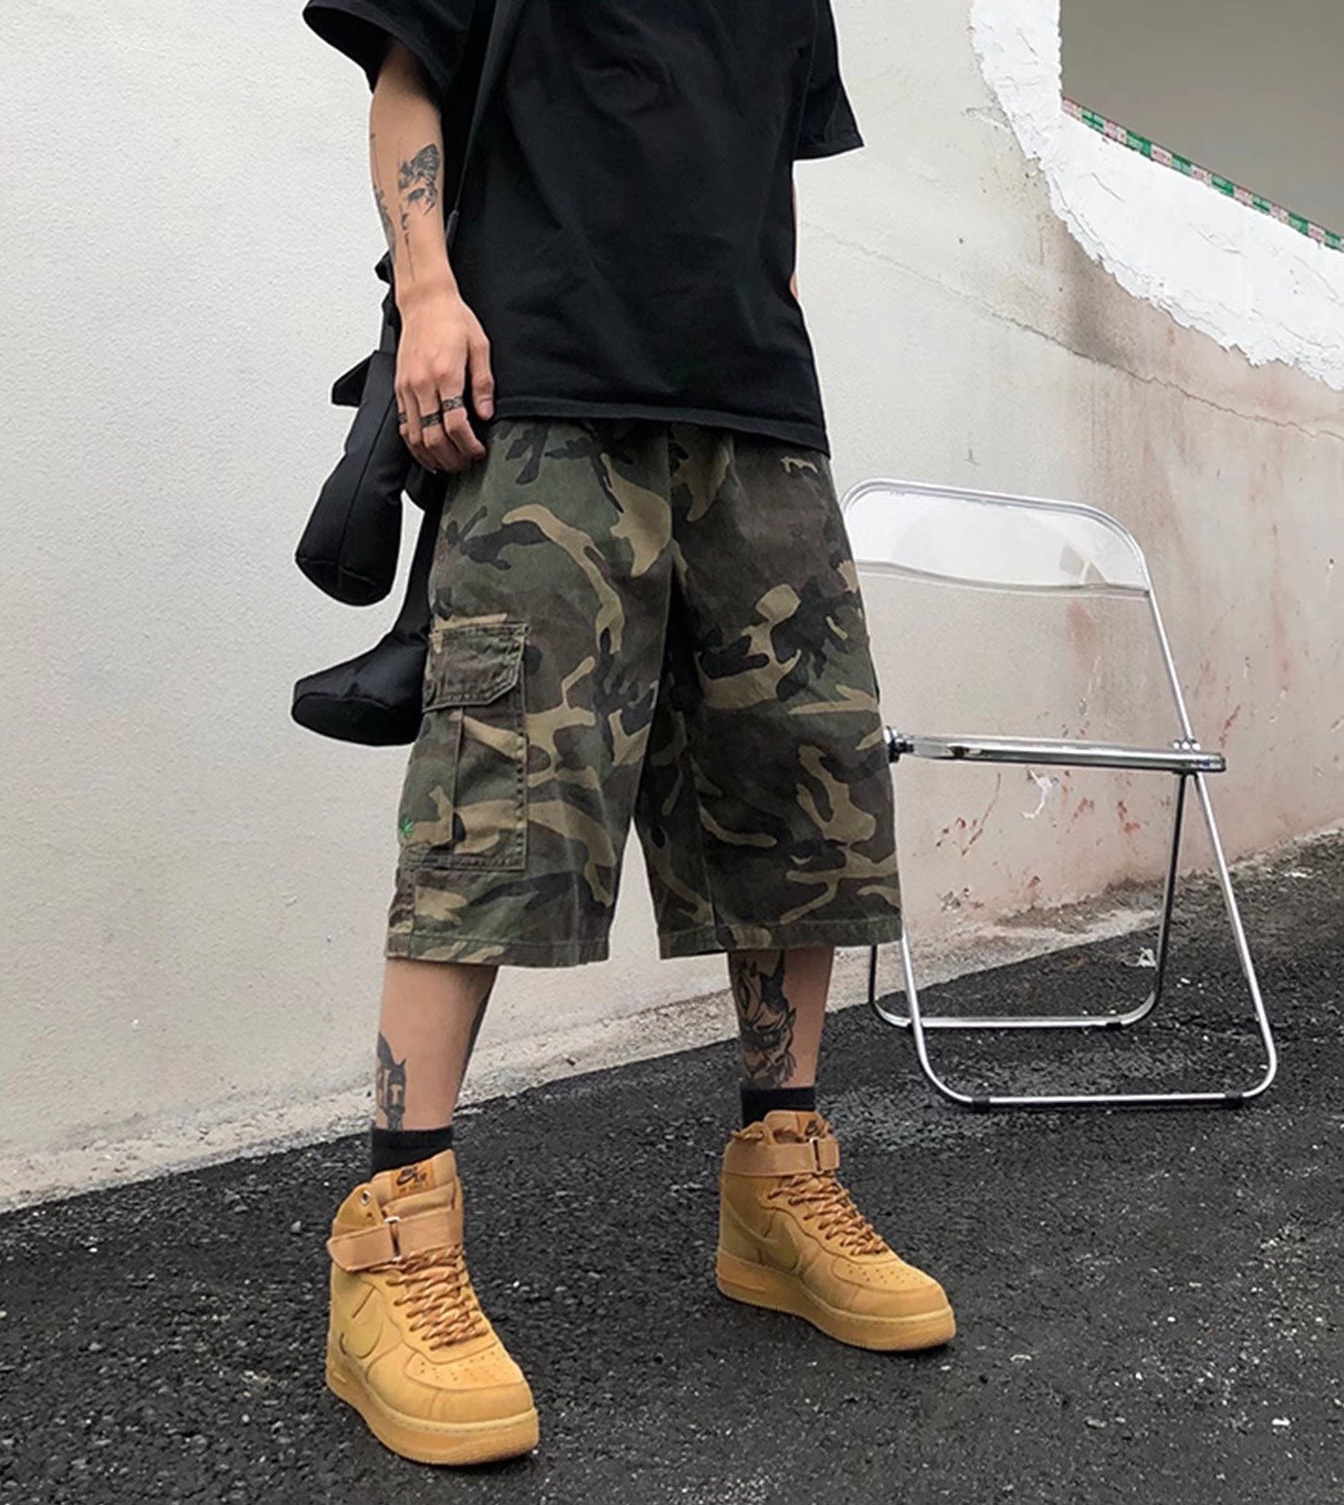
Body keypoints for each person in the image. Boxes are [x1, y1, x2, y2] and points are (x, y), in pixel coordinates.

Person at [302, 0, 955, 1467]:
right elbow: (407, 82)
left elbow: (762, 185)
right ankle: (394, 1240)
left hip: (757, 413)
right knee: (496, 798)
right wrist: (428, 292)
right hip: (545, 394)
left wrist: (767, 357)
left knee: (802, 786)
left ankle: (779, 1179)